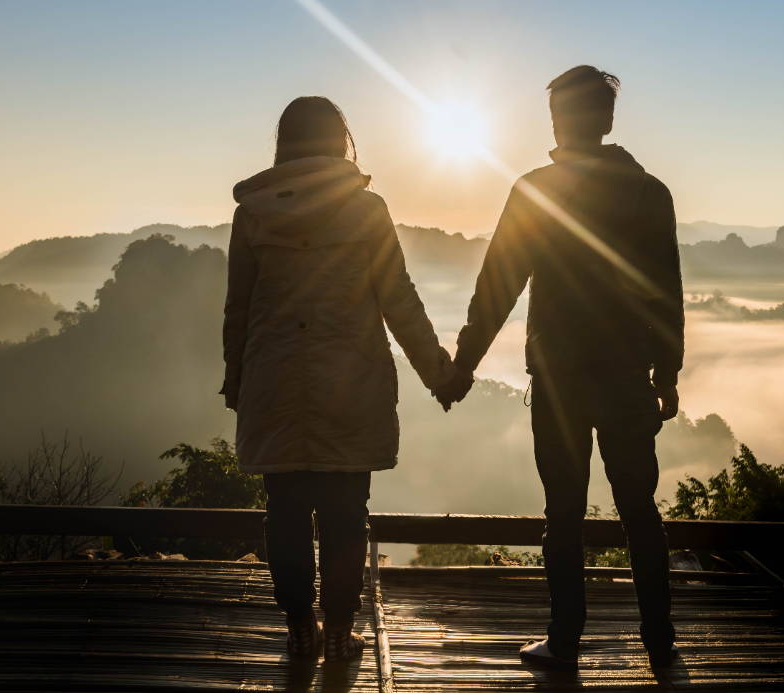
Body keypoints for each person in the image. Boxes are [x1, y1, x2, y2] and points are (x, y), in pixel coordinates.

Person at [435, 66, 684, 669]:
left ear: (562, 122)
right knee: (640, 510)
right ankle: (660, 644)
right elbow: (665, 293)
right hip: (626, 375)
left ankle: (564, 641)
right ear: (608, 119)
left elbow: (498, 285)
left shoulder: (535, 190)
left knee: (564, 512)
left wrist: (462, 366)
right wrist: (665, 373)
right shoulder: (649, 192)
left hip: (560, 379)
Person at [221, 96, 453, 662]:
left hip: (275, 381)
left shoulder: (253, 212)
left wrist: (236, 378)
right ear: (337, 141)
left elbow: (238, 309)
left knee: (287, 513)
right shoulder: (366, 210)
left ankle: (300, 628)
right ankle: (340, 629)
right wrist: (439, 373)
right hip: (350, 382)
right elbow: (398, 299)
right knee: (347, 513)